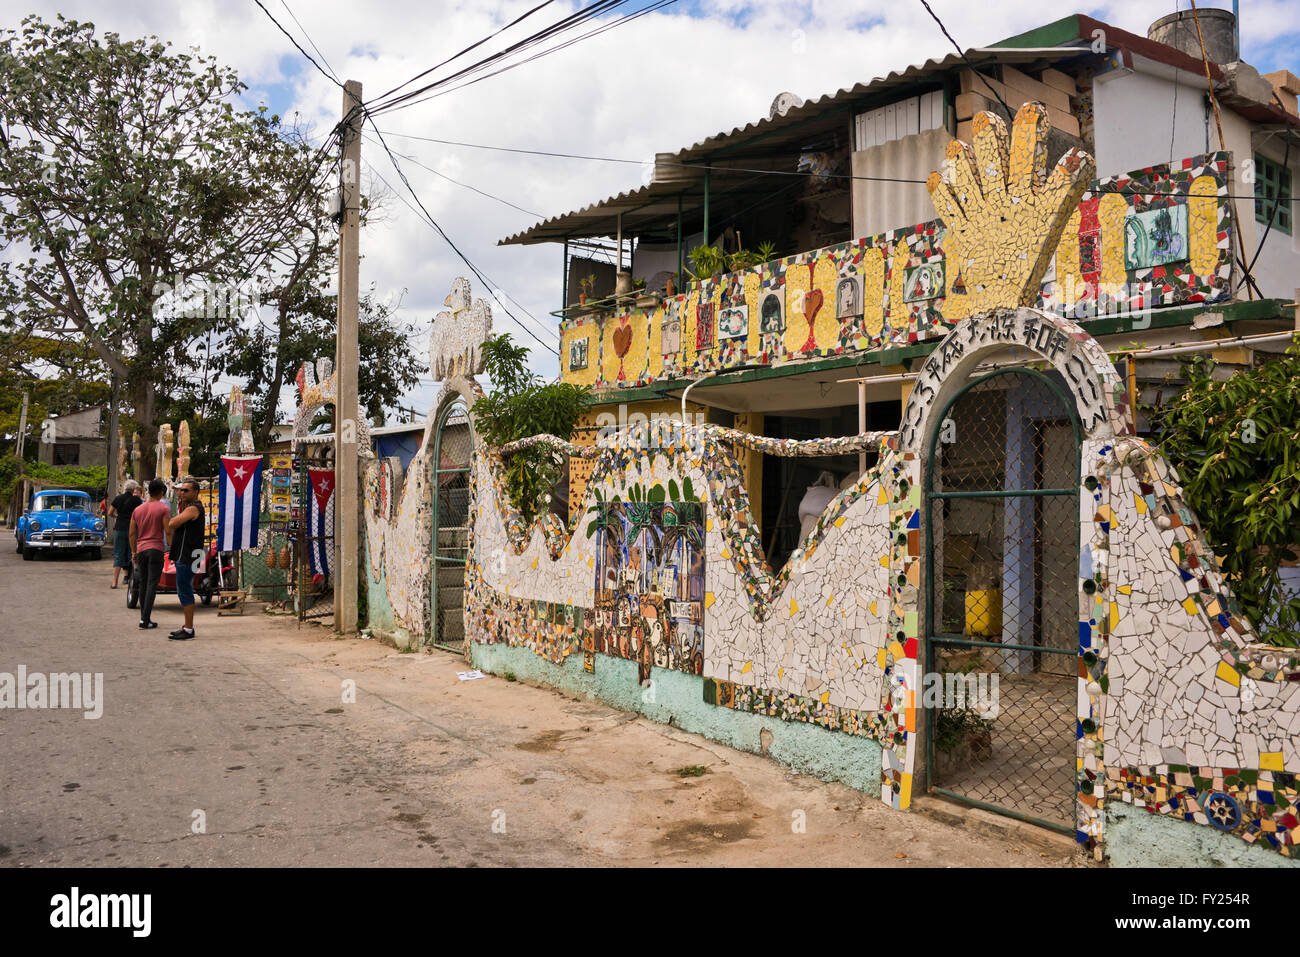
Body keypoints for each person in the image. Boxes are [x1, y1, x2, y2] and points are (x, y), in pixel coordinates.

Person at [166, 477, 205, 641]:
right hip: (188, 554)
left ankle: (188, 629)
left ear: (196, 492)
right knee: (184, 590)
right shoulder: (188, 507)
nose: (182, 493)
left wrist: (174, 520)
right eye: (181, 490)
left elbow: (172, 523)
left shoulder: (193, 509)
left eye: (186, 490)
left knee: (185, 591)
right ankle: (186, 626)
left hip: (188, 555)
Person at [129, 479, 171, 630]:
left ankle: (143, 618)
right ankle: (145, 619)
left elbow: (132, 534)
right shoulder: (163, 509)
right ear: (161, 493)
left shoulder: (138, 510)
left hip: (141, 550)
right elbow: (168, 530)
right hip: (156, 549)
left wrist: (134, 551)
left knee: (142, 583)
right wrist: (172, 547)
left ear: (148, 492)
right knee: (152, 584)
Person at [107, 480, 142, 589]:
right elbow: (140, 514)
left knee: (118, 554)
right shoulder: (137, 500)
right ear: (134, 489)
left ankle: (114, 582)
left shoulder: (118, 498)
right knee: (133, 553)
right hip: (133, 529)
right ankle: (132, 580)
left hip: (119, 528)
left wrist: (118, 516)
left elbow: (109, 513)